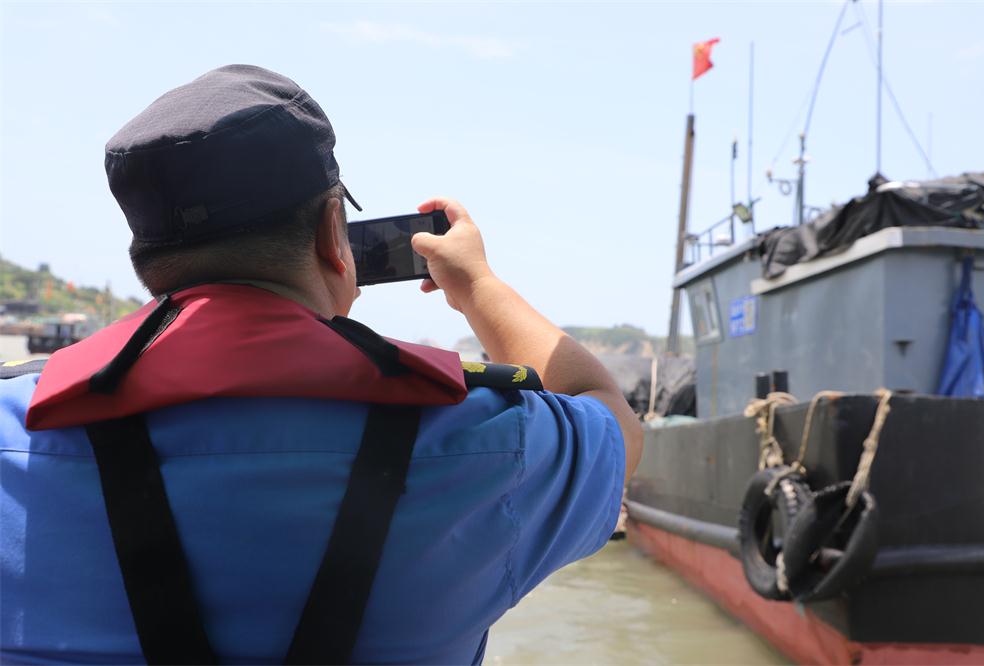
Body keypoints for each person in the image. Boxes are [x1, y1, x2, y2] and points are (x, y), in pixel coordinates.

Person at [0, 64, 642, 665]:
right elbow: (609, 417)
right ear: (334, 233)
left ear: (146, 258)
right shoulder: (487, 441)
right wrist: (476, 286)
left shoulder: (15, 436)